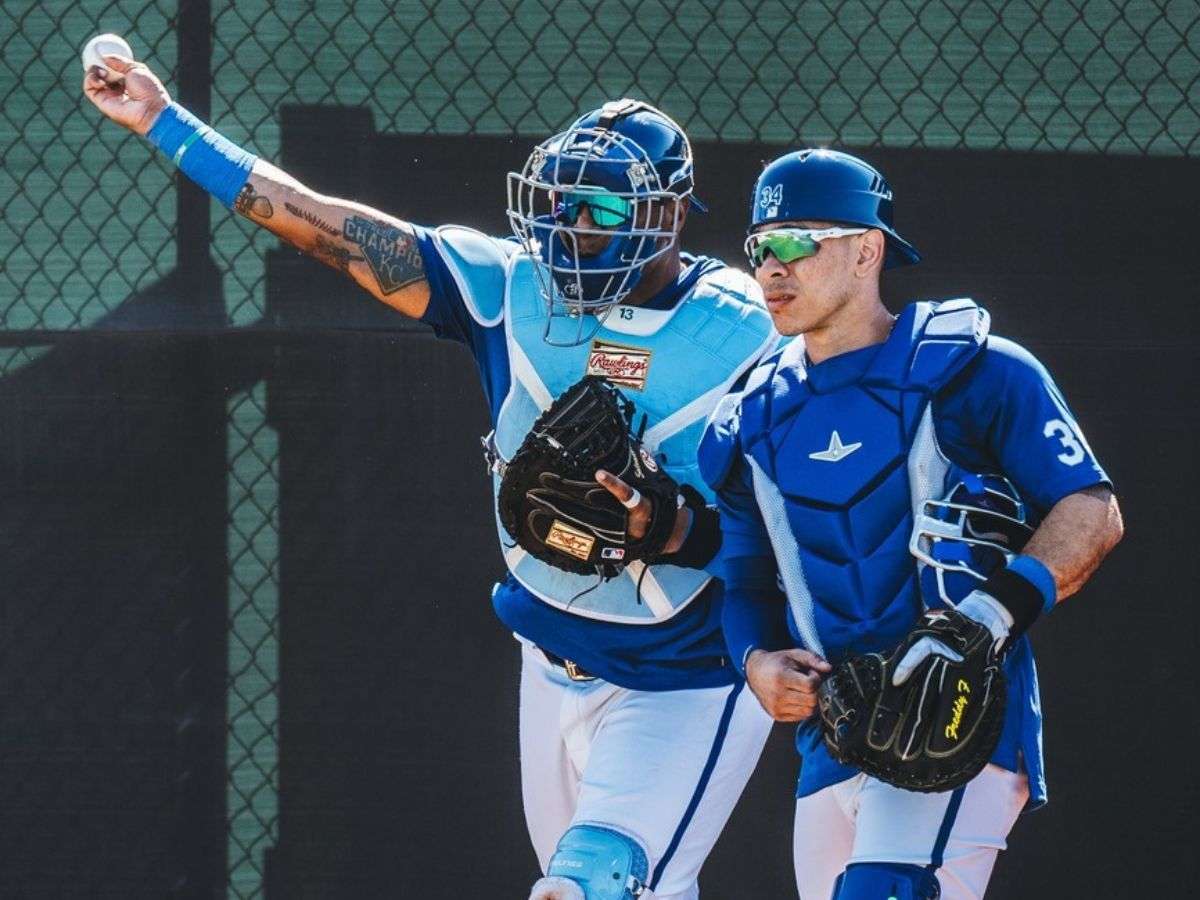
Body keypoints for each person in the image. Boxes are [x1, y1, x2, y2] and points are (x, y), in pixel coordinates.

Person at [85, 53, 778, 900]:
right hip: (551, 656)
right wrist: (165, 121)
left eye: (598, 208)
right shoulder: (512, 284)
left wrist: (676, 527)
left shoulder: (749, 335)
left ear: (668, 215)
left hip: (681, 674)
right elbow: (325, 227)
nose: (569, 227)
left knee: (588, 882)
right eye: (557, 202)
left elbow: (804, 524)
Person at [699, 149, 1124, 899]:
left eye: (797, 240)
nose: (771, 266)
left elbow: (1092, 512)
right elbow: (742, 580)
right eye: (760, 246)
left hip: (955, 724)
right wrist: (755, 664)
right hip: (830, 740)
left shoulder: (976, 369)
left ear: (867, 250)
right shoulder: (749, 418)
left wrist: (989, 618)